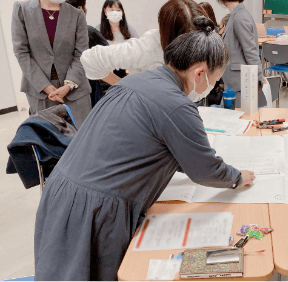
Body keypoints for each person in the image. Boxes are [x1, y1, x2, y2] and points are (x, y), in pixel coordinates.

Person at [34, 17, 256, 281]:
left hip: (60, 192)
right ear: (199, 74)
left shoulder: (135, 82)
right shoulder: (177, 105)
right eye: (215, 81)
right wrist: (237, 178)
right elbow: (204, 170)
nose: (212, 88)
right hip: (95, 209)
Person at [81, 0, 205, 86]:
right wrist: (123, 85)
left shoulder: (129, 30)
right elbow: (91, 60)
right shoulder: (148, 46)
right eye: (111, 9)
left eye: (117, 9)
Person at [11, 0, 91, 128]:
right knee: (47, 141)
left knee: (81, 140)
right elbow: (21, 52)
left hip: (74, 90)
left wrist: (68, 85)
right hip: (40, 91)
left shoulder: (77, 15)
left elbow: (82, 54)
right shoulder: (22, 10)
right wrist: (45, 86)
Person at [216, 0, 263, 107]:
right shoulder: (236, 15)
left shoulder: (240, 17)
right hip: (235, 82)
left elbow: (250, 52)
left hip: (240, 83)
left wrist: (259, 78)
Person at [66, 0, 109, 107]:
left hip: (66, 87)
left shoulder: (59, 35)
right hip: (89, 87)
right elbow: (108, 55)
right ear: (80, 9)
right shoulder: (89, 31)